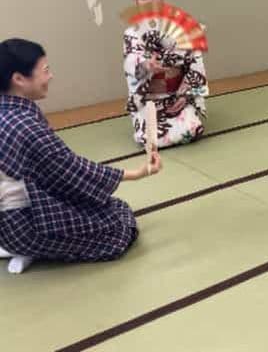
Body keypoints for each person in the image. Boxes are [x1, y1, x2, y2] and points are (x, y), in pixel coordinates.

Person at [0, 38, 161, 274]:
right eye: (45, 71)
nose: (50, 76)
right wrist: (139, 173)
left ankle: (16, 243)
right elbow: (72, 171)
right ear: (19, 79)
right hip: (22, 224)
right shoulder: (23, 125)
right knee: (118, 229)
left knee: (105, 207)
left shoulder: (8, 110)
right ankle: (26, 246)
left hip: (9, 219)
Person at [124, 0, 208, 148]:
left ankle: (186, 111)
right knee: (148, 139)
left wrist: (185, 95)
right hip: (150, 98)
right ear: (137, 3)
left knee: (192, 130)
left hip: (178, 94)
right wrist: (146, 65)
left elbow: (196, 63)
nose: (149, 1)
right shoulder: (132, 33)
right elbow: (131, 63)